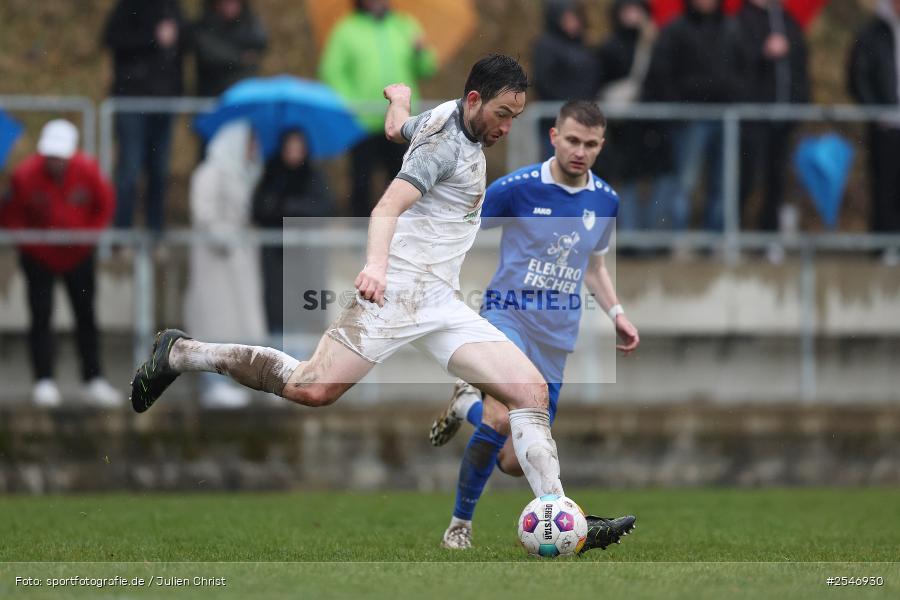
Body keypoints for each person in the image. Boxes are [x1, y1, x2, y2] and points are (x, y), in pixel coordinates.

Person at [130, 55, 635, 553]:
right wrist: (375, 266)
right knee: (312, 389)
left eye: (516, 117)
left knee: (530, 393)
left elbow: (397, 131)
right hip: (393, 296)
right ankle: (181, 354)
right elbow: (386, 205)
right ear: (476, 100)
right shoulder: (443, 147)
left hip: (440, 301)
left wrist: (399, 100)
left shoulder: (445, 115)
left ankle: (564, 517)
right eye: (503, 113)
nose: (507, 126)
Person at [428, 101, 640, 550]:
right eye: (573, 140)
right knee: (501, 415)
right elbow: (461, 230)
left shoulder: (605, 199)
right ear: (554, 138)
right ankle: (459, 525)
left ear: (601, 146)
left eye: (590, 144)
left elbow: (594, 265)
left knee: (511, 459)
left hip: (557, 336)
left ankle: (465, 405)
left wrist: (617, 312)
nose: (580, 151)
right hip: (508, 317)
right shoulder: (518, 188)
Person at [0, 120, 121, 407]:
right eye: (50, 155)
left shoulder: (88, 171)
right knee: (41, 317)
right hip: (39, 258)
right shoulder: (26, 175)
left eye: (60, 156)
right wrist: (35, 245)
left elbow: (104, 206)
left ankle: (93, 378)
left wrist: (85, 239)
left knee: (86, 316)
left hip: (78, 257)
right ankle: (44, 379)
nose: (55, 162)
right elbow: (12, 216)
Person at [319, 0, 438, 217]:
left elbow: (427, 68)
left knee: (403, 182)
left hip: (403, 123)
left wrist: (421, 52)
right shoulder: (346, 30)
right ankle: (361, 241)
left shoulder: (405, 25)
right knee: (361, 183)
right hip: (362, 124)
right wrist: (352, 105)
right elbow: (332, 72)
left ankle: (401, 237)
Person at [184, 121, 267, 408]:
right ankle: (213, 384)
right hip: (214, 261)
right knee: (214, 321)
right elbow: (203, 214)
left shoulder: (243, 174)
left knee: (237, 323)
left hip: (237, 260)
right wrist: (227, 238)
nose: (254, 150)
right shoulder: (210, 172)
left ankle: (230, 381)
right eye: (250, 143)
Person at [644, 0, 746, 231]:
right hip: (689, 120)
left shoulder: (732, 29)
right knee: (684, 183)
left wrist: (731, 92)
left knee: (723, 183)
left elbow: (744, 71)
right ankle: (678, 238)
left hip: (725, 118)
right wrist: (682, 104)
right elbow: (661, 74)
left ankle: (716, 240)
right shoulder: (675, 30)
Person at [103, 0, 186, 237]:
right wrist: (152, 38)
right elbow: (112, 39)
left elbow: (186, 43)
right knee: (129, 170)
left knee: (159, 170)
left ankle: (155, 230)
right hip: (132, 99)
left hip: (164, 99)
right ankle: (122, 232)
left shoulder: (172, 7)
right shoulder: (128, 6)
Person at [595, 0, 677, 232]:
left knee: (661, 179)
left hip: (656, 125)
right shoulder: (610, 47)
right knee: (627, 181)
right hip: (625, 127)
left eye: (636, 10)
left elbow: (664, 81)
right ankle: (631, 238)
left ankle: (653, 237)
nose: (632, 15)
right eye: (627, 10)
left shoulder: (658, 44)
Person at [736, 0, 809, 257]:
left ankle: (769, 238)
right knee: (746, 177)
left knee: (776, 180)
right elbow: (737, 63)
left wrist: (800, 104)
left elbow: (800, 66)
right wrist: (762, 52)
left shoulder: (788, 21)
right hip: (754, 116)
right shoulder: (742, 19)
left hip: (784, 115)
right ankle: (734, 234)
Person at [252, 130, 335, 345]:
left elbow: (324, 208)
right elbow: (260, 208)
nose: (294, 153)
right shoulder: (271, 173)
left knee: (302, 308)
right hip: (276, 258)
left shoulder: (314, 175)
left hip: (304, 258)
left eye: (298, 147)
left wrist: (290, 209)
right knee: (277, 308)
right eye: (290, 147)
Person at [848, 0, 900, 261]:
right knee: (885, 186)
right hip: (885, 124)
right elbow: (858, 75)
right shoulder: (871, 33)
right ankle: (884, 247)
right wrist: (875, 109)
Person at [532, 0, 598, 160]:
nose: (572, 23)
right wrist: (572, 102)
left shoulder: (583, 46)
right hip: (555, 120)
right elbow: (544, 82)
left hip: (583, 120)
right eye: (566, 18)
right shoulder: (546, 46)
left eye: (574, 17)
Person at [192, 0, 268, 98]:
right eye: (226, 3)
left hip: (244, 93)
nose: (230, 6)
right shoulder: (205, 26)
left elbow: (260, 43)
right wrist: (240, 57)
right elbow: (208, 52)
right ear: (216, 5)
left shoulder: (249, 22)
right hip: (213, 94)